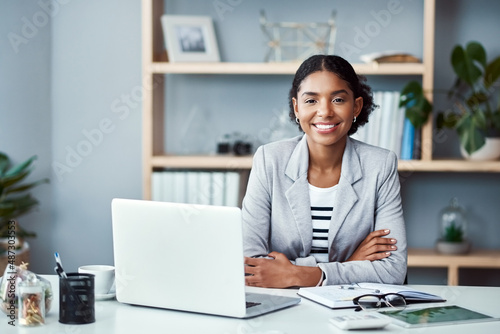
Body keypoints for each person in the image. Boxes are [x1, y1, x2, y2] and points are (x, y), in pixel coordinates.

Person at [242, 54, 407, 288]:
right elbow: (248, 265)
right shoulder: (270, 160)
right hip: (283, 306)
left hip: (352, 309)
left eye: (338, 100)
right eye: (311, 101)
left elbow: (393, 271)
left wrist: (298, 274)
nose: (325, 112)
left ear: (356, 107)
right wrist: (351, 263)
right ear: (296, 108)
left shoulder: (380, 165)